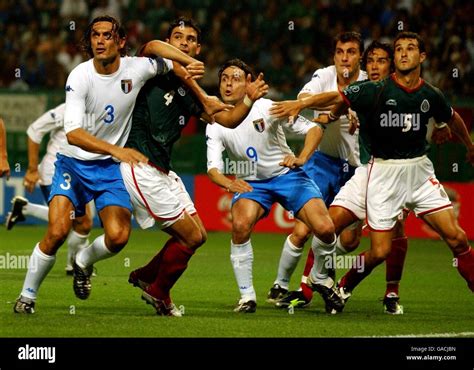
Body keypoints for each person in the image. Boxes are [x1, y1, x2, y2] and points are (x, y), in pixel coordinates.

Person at [14, 15, 204, 314]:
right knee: (57, 232)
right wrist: (118, 150)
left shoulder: (137, 68)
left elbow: (164, 58)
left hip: (108, 168)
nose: (100, 41)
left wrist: (197, 83)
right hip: (72, 164)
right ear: (89, 41)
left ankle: (82, 261)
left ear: (121, 41)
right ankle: (27, 296)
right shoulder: (79, 76)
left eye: (107, 35)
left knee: (118, 237)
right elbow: (74, 135)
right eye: (95, 36)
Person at [271, 41, 454, 314]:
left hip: (393, 171)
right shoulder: (361, 88)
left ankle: (389, 290)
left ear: (390, 66)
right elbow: (338, 102)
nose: (375, 66)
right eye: (371, 61)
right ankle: (309, 285)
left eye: (381, 61)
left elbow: (433, 111)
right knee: (326, 228)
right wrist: (318, 113)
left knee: (375, 238)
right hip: (360, 173)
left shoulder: (389, 88)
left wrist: (441, 126)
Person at [124, 17, 268, 316]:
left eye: (190, 39)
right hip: (140, 162)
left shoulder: (191, 90)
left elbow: (226, 120)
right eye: (178, 37)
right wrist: (189, 64)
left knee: (198, 235)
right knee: (189, 236)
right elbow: (151, 46)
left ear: (199, 46)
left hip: (162, 170)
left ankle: (147, 275)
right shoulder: (149, 68)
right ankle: (159, 293)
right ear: (170, 41)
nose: (184, 42)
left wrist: (248, 101)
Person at [324, 31, 474, 311]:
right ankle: (344, 285)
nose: (404, 53)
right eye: (399, 49)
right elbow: (341, 99)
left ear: (422, 56)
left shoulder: (431, 94)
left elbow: (451, 118)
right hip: (382, 173)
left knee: (458, 237)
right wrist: (320, 112)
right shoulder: (376, 88)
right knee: (380, 251)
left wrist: (469, 146)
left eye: (411, 48)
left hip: (418, 172)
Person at [207, 58, 334, 313]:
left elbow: (314, 130)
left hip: (287, 174)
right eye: (224, 79)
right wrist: (229, 184)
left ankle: (318, 276)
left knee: (326, 228)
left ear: (250, 83)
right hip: (253, 183)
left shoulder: (268, 107)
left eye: (236, 78)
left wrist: (302, 157)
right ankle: (247, 297)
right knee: (241, 225)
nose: (229, 83)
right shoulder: (216, 121)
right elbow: (213, 169)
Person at [266, 32, 367, 312]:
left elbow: (329, 101)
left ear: (360, 56)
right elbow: (303, 98)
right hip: (321, 163)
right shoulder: (323, 74)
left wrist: (333, 108)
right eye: (339, 52)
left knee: (348, 240)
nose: (344, 57)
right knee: (303, 228)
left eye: (351, 52)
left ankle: (319, 277)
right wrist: (337, 106)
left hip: (356, 170)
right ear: (334, 55)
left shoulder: (368, 82)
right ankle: (282, 285)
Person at [5, 103, 93, 275]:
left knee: (74, 221)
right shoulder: (68, 109)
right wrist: (31, 170)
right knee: (80, 222)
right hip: (55, 169)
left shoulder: (104, 108)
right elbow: (34, 130)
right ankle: (74, 265)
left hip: (78, 171)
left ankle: (24, 208)